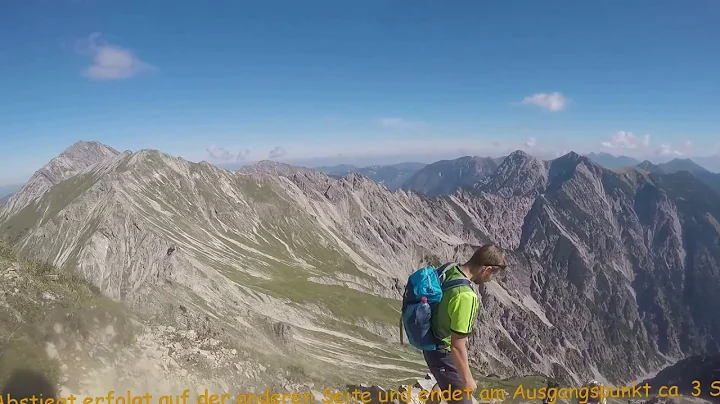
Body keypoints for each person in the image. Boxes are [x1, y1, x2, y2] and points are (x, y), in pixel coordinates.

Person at [423, 244, 507, 404]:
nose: (490, 280)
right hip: (443, 353)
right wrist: (467, 379)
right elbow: (457, 346)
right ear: (487, 269)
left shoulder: (450, 269)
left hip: (430, 342)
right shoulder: (466, 296)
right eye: (492, 275)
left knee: (443, 383)